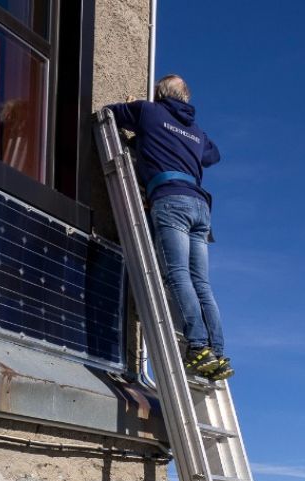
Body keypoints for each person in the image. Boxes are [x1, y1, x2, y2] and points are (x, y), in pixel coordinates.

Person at [106, 75, 230, 381]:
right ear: (186, 97)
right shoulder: (196, 131)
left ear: (160, 93)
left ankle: (198, 346)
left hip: (171, 199)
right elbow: (212, 155)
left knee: (177, 275)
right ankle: (216, 349)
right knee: (201, 281)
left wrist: (141, 137)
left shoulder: (149, 111)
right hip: (200, 208)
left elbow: (109, 113)